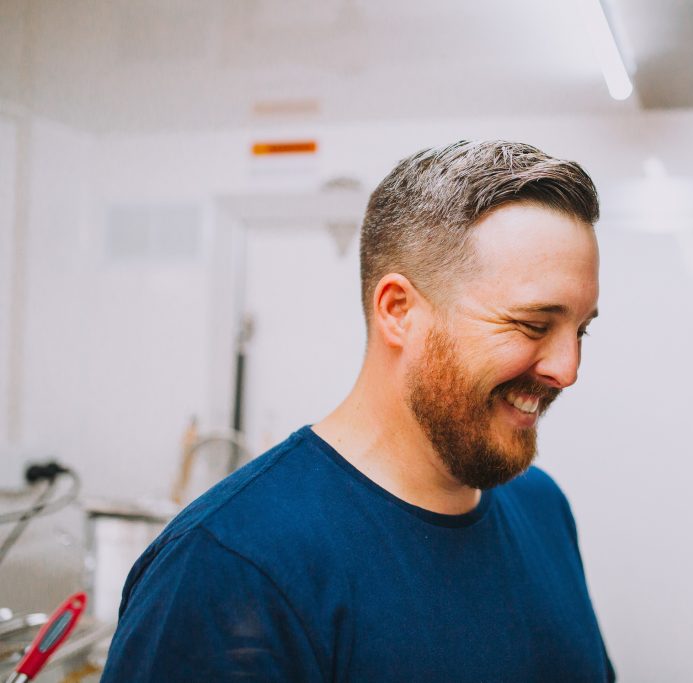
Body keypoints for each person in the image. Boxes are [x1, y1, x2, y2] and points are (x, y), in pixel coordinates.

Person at [100, 140, 614, 682]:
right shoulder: (230, 568)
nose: (568, 368)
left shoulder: (543, 508)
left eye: (580, 330)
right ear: (399, 311)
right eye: (534, 325)